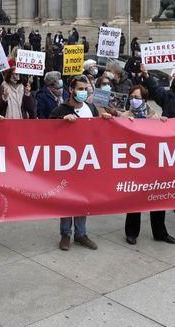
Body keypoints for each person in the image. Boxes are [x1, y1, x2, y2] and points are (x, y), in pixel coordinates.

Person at [50, 75, 111, 250]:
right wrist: (61, 123)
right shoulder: (59, 110)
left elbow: (97, 132)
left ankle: (81, 234)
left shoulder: (90, 108)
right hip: (66, 163)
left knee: (83, 199)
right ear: (71, 90)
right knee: (67, 199)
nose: (83, 92)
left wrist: (104, 121)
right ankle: (65, 234)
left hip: (86, 162)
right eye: (80, 89)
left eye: (86, 89)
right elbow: (47, 133)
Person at [127, 75, 175, 244]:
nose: (133, 100)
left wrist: (164, 123)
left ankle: (160, 232)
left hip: (153, 164)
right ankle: (131, 232)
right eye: (131, 97)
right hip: (134, 166)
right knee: (134, 200)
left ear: (145, 100)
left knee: (157, 198)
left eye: (137, 97)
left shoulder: (155, 117)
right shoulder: (125, 117)